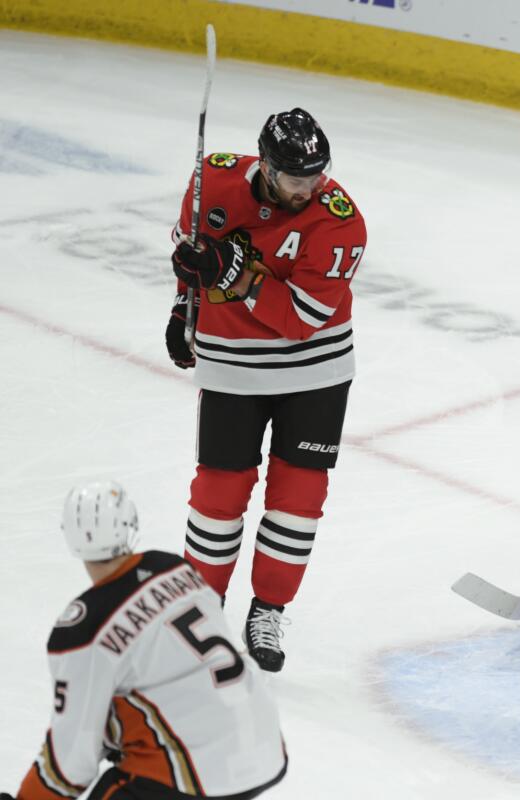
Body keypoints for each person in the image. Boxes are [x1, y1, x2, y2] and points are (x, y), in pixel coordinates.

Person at [164, 108, 367, 672]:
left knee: (297, 502)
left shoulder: (340, 222)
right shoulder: (214, 181)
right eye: (296, 178)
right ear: (266, 167)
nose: (309, 188)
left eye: (317, 176)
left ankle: (269, 609)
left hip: (316, 370)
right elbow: (191, 252)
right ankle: (200, 609)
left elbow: (301, 320)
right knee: (217, 495)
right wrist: (185, 302)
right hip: (232, 367)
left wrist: (236, 275)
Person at [6, 482, 286, 800]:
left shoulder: (82, 629)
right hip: (265, 744)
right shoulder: (175, 568)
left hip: (202, 772)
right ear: (131, 522)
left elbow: (70, 765)